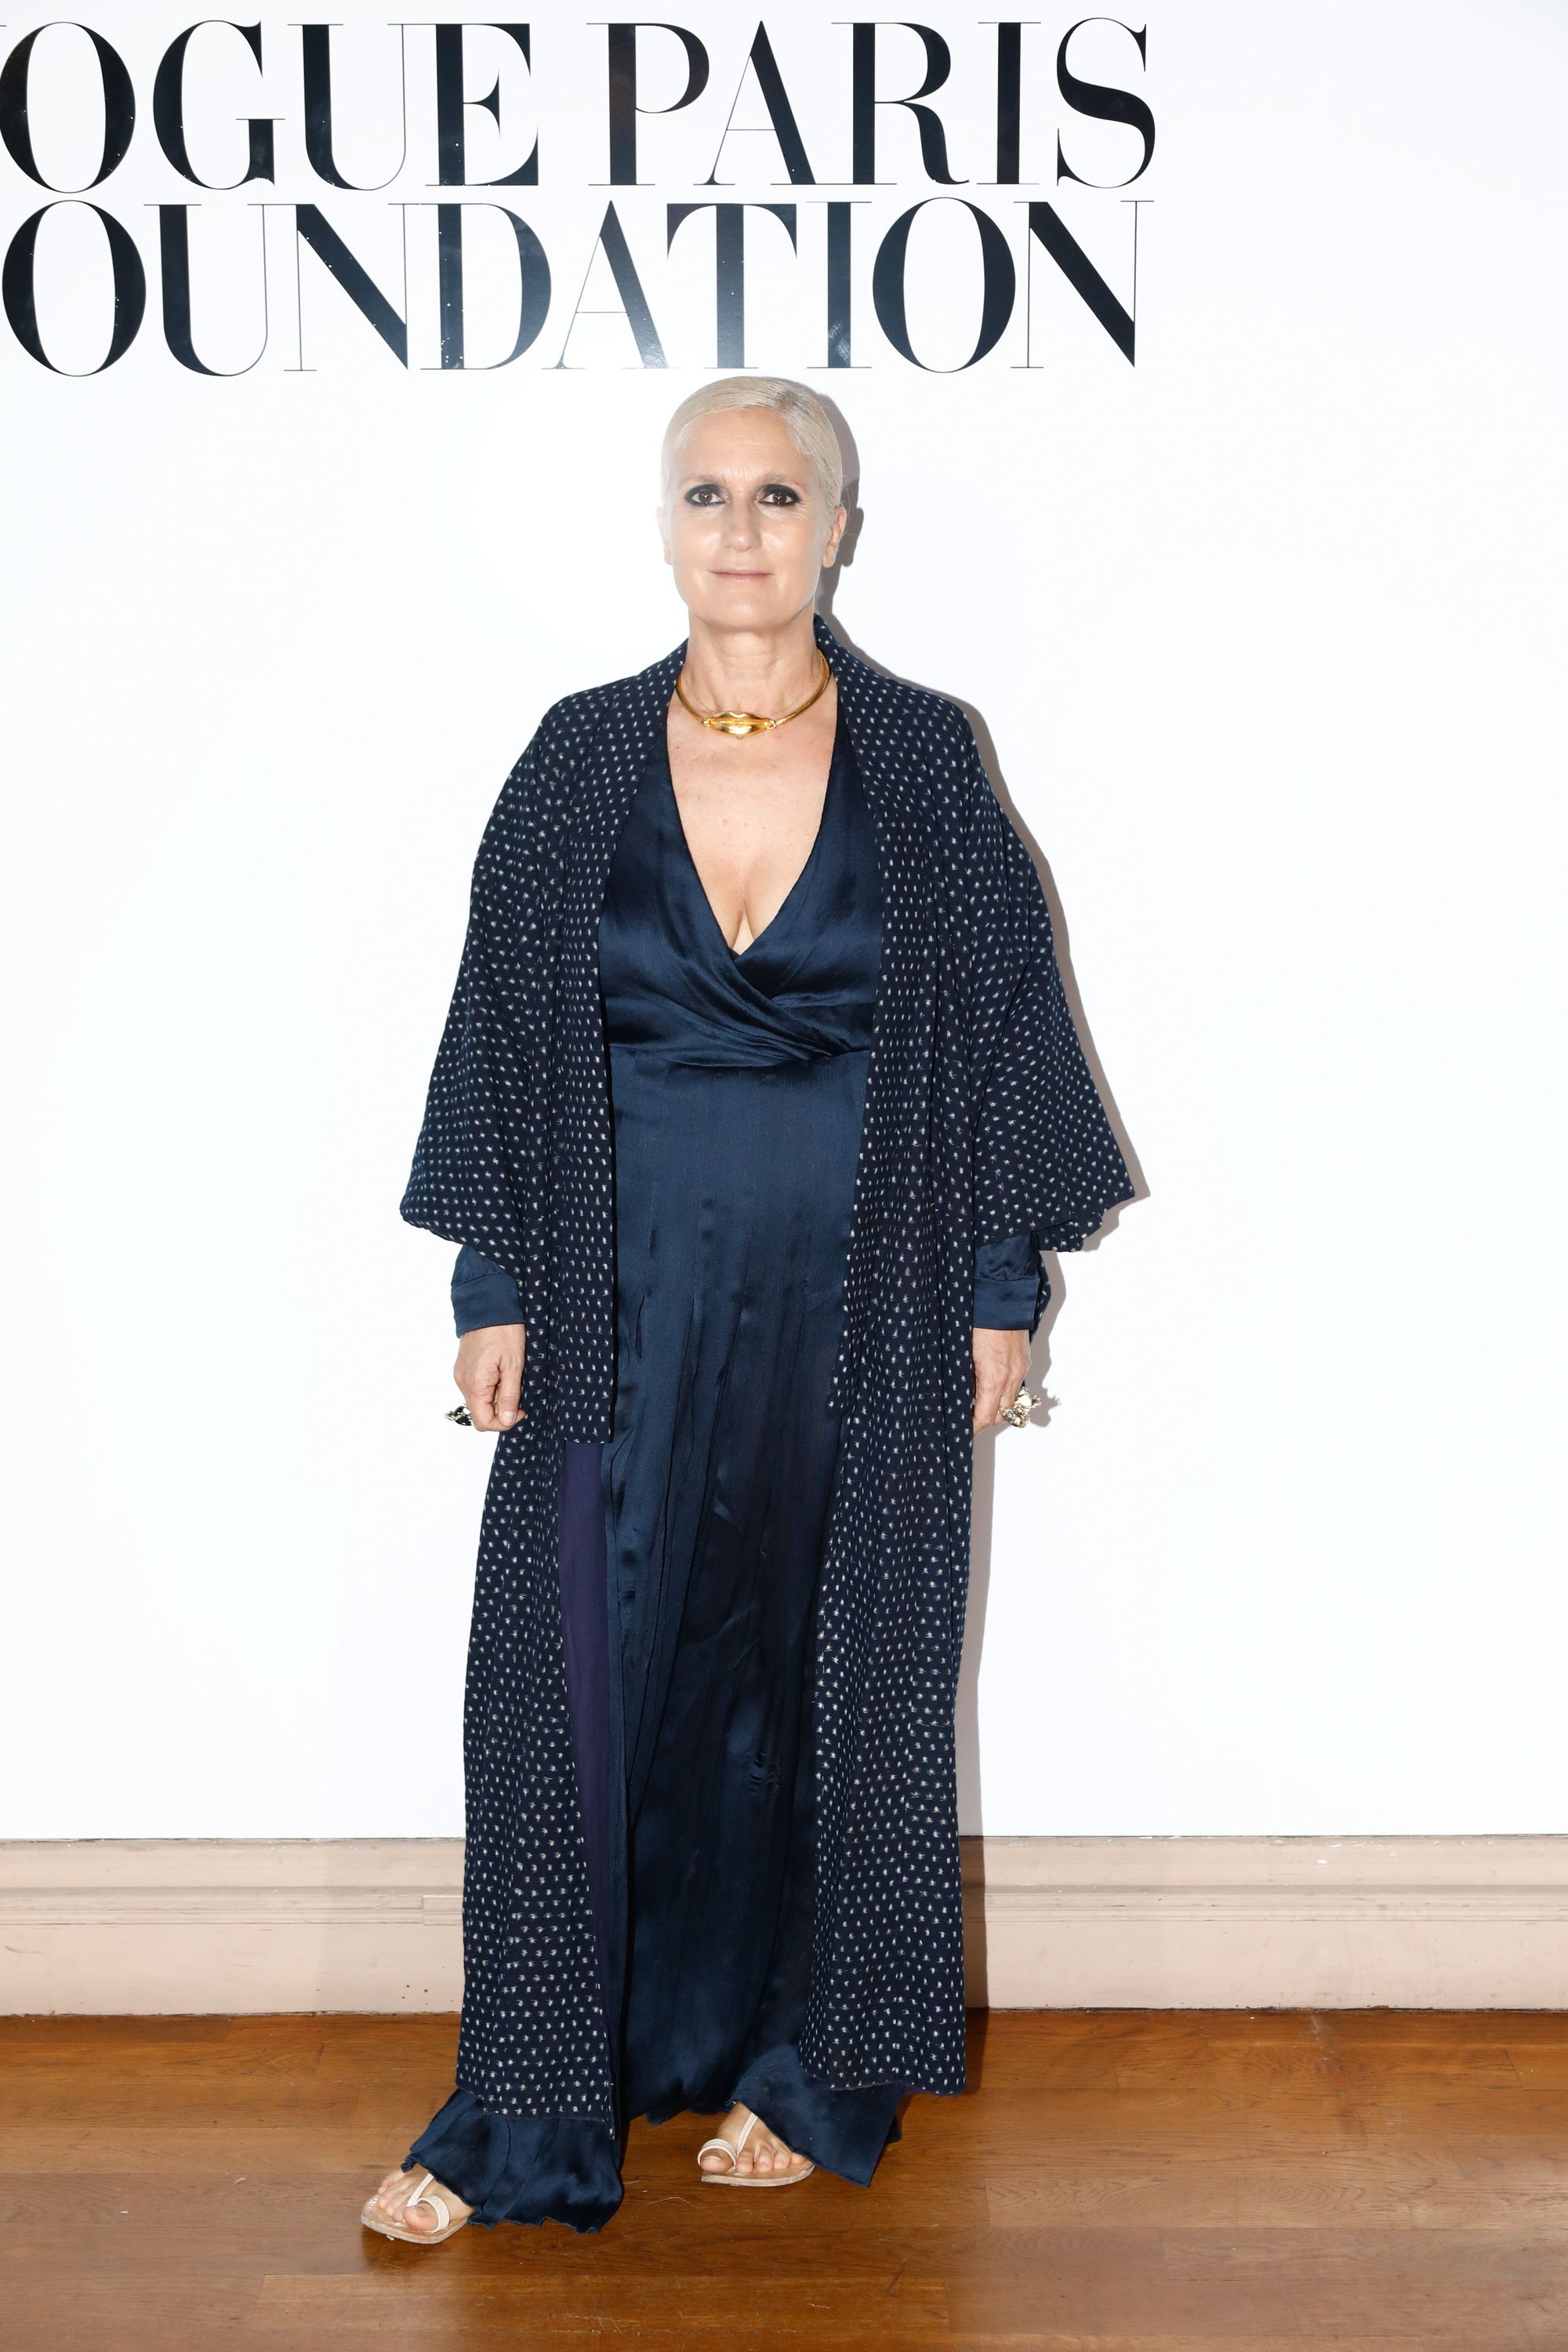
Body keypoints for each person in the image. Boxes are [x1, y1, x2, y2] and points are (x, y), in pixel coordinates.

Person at [361, 376, 1134, 2241]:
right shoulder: (575, 755)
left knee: (839, 1676)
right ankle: (524, 2114)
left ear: (837, 529)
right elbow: (498, 1025)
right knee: (570, 1689)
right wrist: (493, 1275)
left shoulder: (925, 757)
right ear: (661, 525)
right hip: (614, 1291)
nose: (739, 528)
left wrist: (997, 1284)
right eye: (704, 492)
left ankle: (811, 2068)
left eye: (779, 495)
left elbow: (1000, 1025)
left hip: (870, 1290)